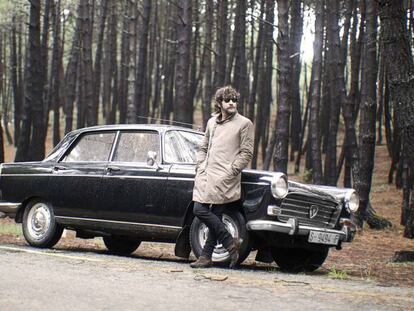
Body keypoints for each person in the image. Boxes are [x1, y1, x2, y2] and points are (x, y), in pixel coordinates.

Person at [190, 86, 254, 269]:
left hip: (225, 178)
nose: (232, 103)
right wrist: (200, 165)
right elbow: (203, 147)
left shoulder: (244, 123)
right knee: (200, 209)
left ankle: (208, 254)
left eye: (234, 99)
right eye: (228, 100)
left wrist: (231, 172)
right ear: (220, 103)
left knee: (209, 213)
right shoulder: (211, 122)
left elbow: (247, 153)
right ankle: (225, 245)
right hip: (205, 176)